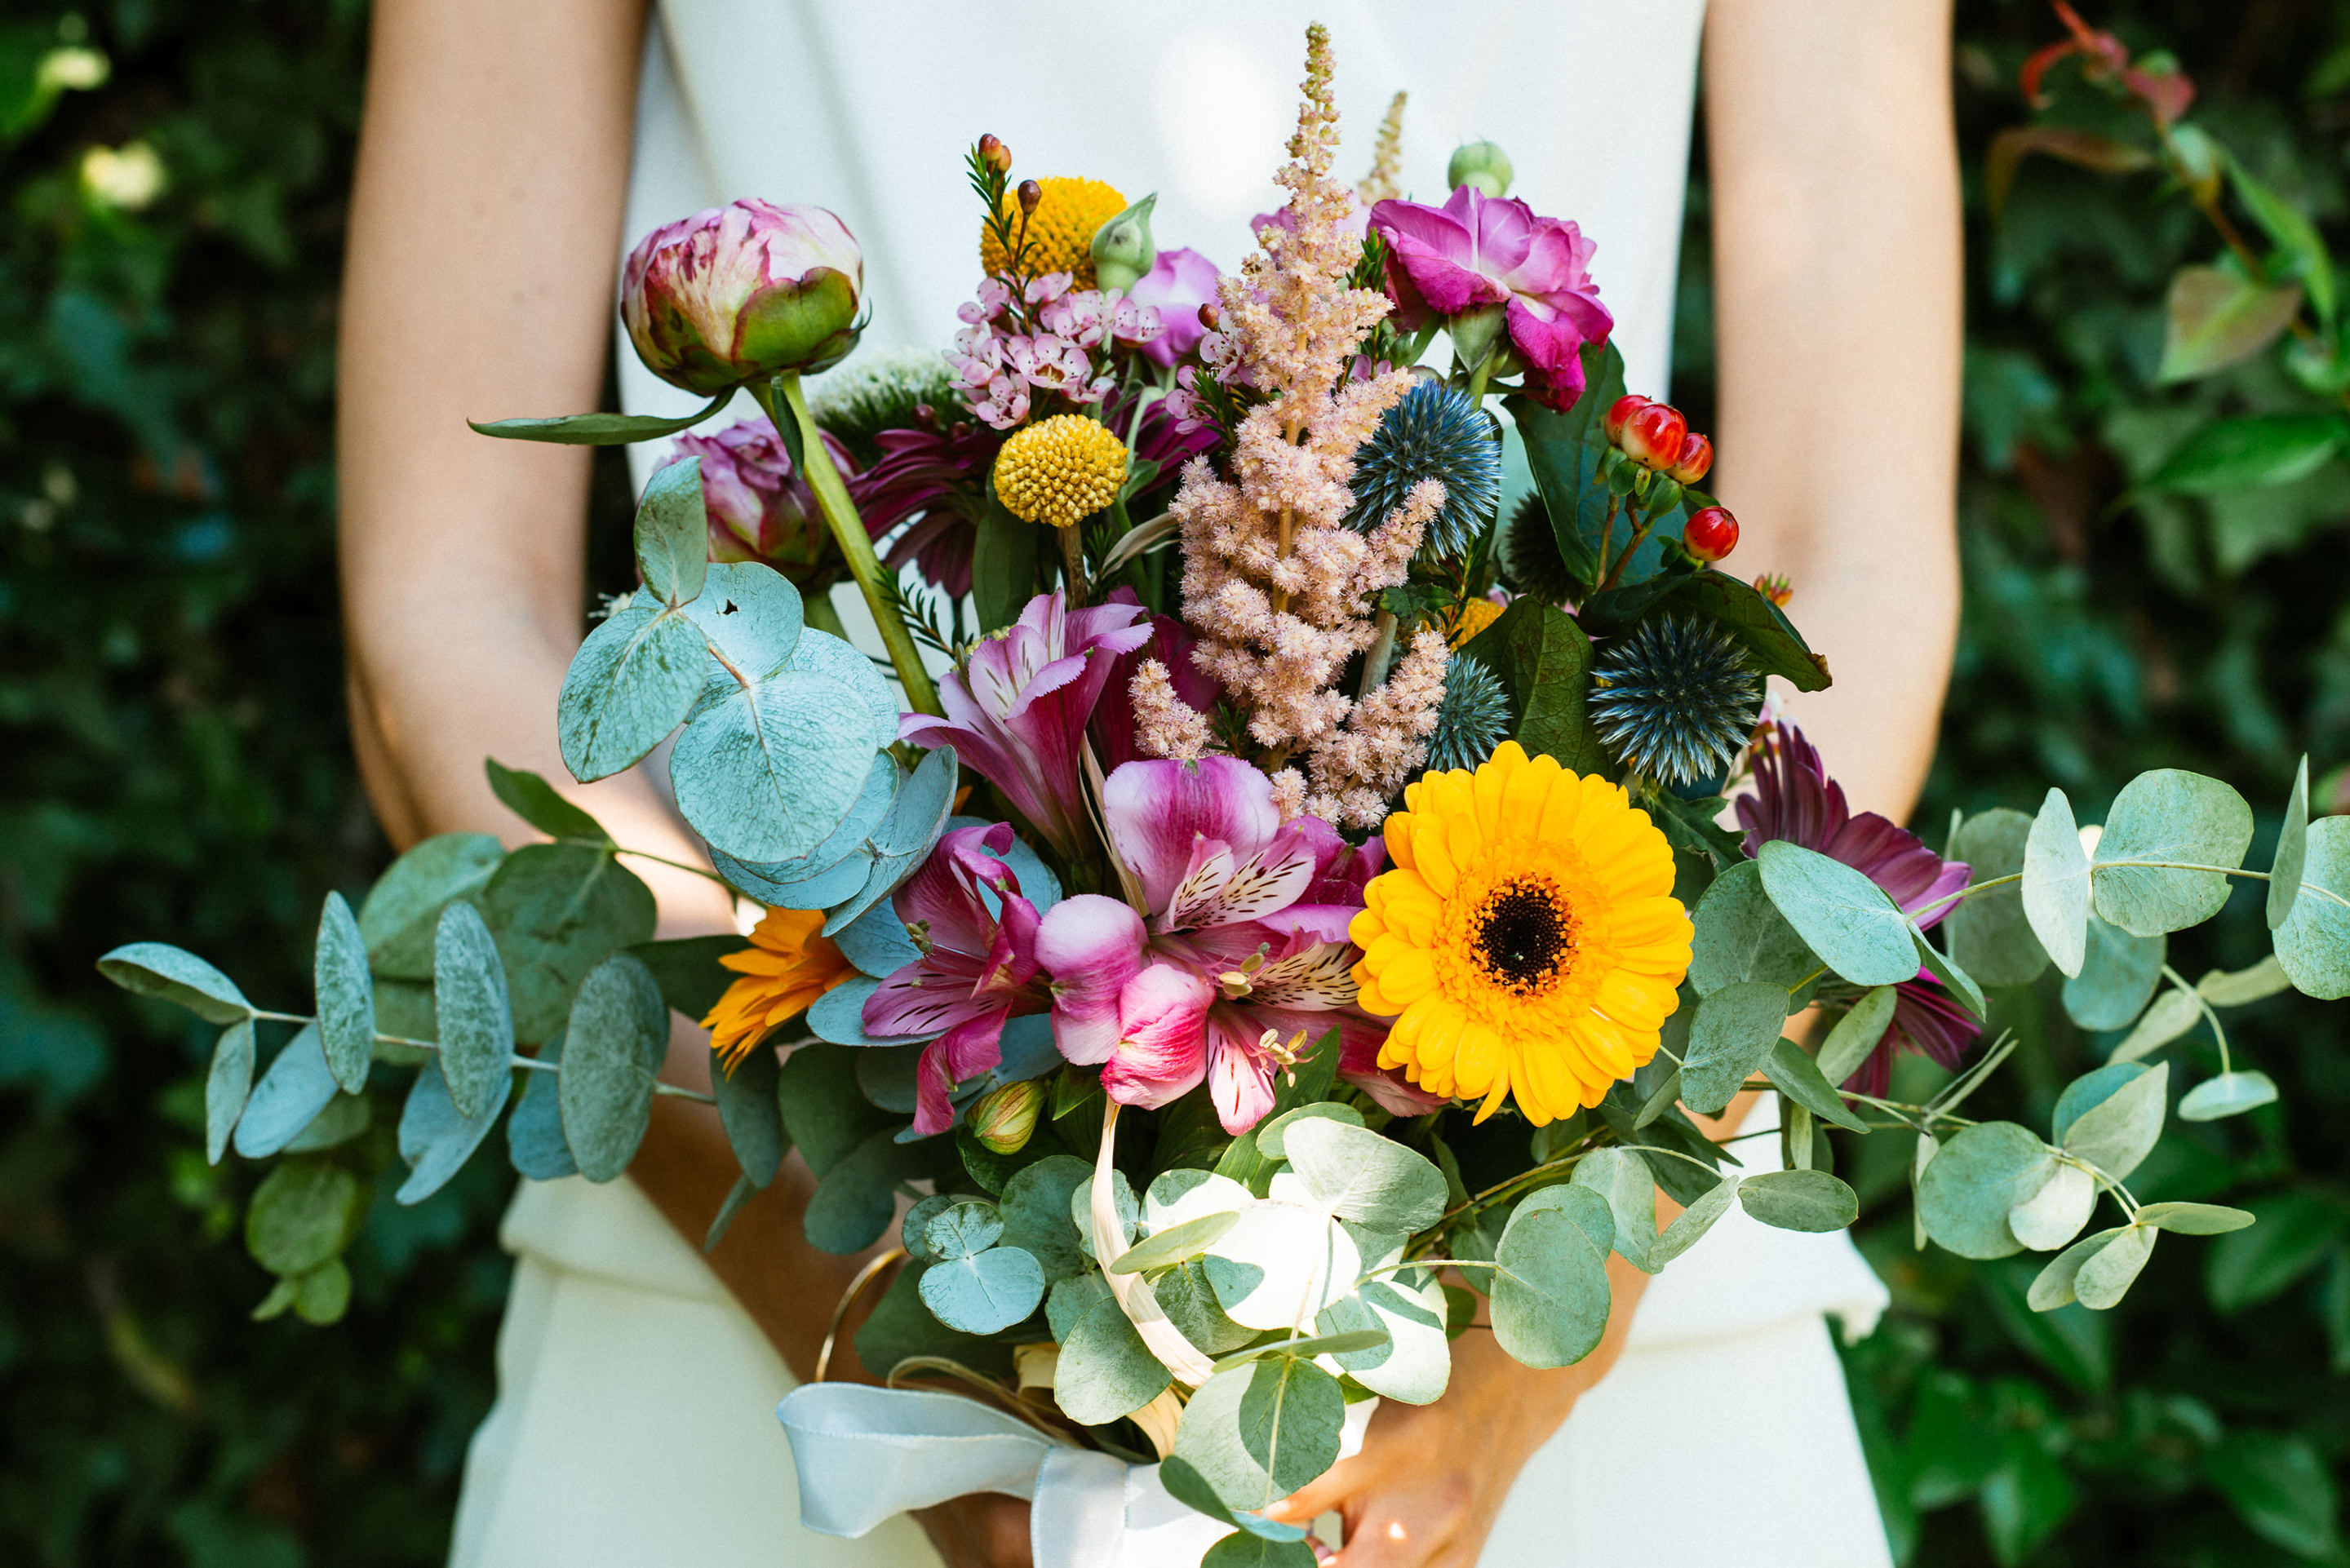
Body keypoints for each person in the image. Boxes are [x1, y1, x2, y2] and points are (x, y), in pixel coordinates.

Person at [337, 1, 1960, 1563]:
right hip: (747, 1298)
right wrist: (844, 1293)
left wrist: (1559, 1298)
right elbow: (442, 617)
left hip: (1585, 1340)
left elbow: (1850, 562)